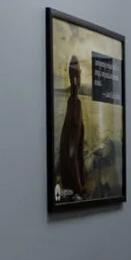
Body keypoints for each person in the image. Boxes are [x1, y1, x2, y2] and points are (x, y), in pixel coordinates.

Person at [55, 55, 89, 200]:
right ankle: (76, 187)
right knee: (73, 153)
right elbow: (72, 149)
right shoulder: (73, 102)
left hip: (74, 121)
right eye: (76, 73)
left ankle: (77, 186)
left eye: (78, 73)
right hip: (73, 126)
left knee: (77, 153)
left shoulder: (75, 102)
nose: (77, 78)